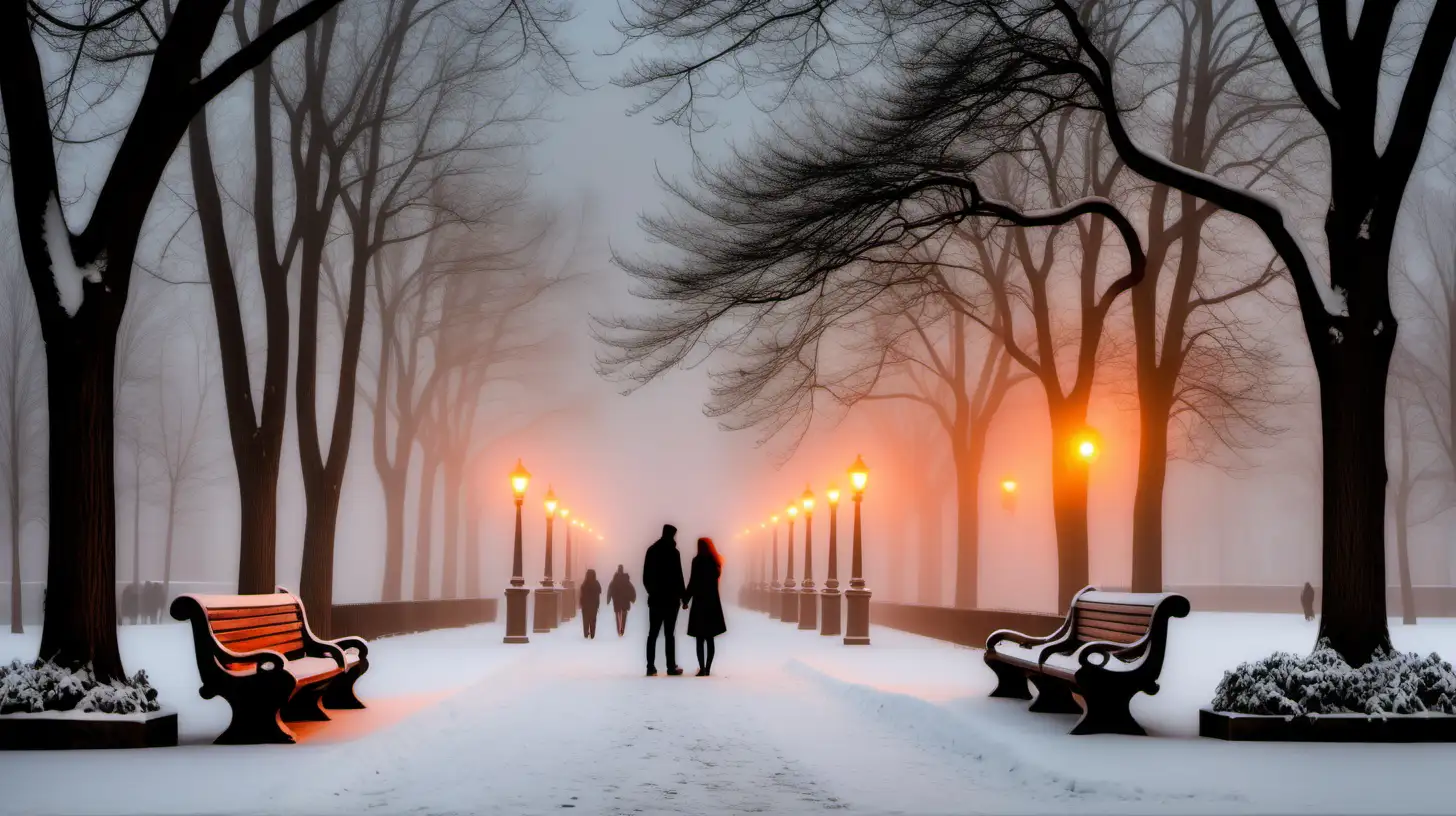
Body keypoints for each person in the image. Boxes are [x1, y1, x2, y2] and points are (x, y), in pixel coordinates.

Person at [642, 524, 686, 676]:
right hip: (671, 600)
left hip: (655, 600)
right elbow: (678, 577)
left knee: (652, 633)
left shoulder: (652, 551)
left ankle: (650, 666)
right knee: (669, 634)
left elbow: (646, 577)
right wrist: (684, 597)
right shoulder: (674, 553)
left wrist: (652, 592)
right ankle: (671, 666)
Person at [683, 537, 727, 676]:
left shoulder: (697, 561)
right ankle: (708, 668)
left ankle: (701, 668)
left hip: (699, 602)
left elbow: (693, 582)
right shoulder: (716, 562)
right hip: (712, 602)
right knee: (710, 637)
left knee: (700, 638)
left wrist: (685, 600)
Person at [607, 565, 636, 636]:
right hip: (625, 601)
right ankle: (622, 628)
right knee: (624, 615)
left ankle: (619, 629)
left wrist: (609, 599)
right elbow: (631, 589)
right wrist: (633, 598)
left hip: (617, 601)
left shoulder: (614, 579)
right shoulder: (626, 579)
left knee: (618, 615)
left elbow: (610, 589)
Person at [579, 569, 603, 639]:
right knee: (593, 620)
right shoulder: (596, 583)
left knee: (585, 620)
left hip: (585, 606)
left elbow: (582, 595)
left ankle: (586, 633)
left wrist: (581, 603)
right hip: (594, 606)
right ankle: (592, 634)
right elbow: (599, 592)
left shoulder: (584, 584)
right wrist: (597, 605)